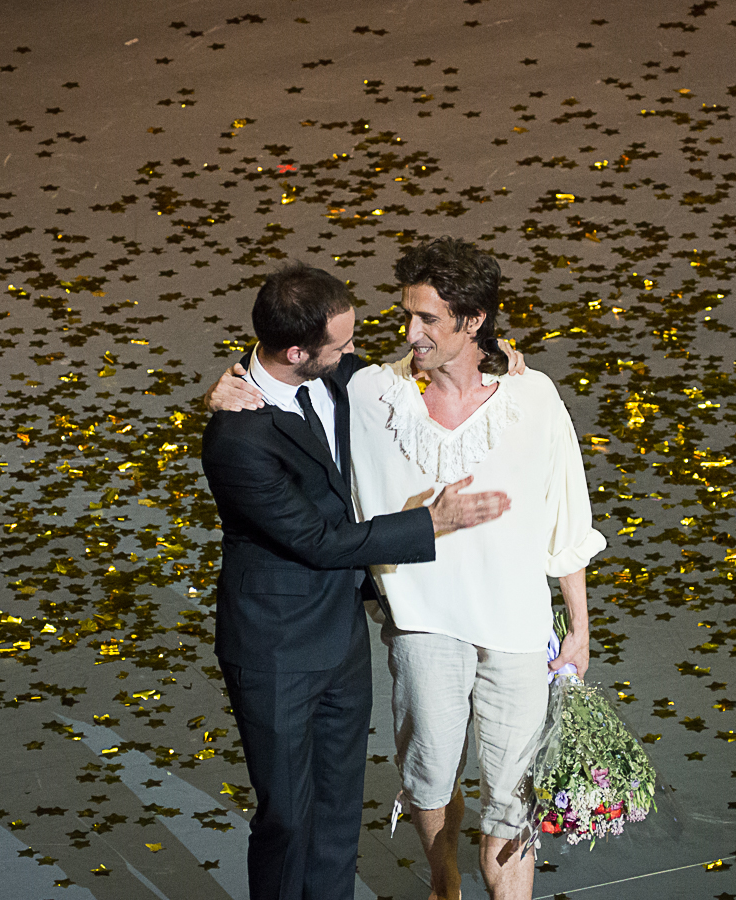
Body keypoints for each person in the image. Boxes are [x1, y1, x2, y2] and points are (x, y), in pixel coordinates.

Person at [208, 239, 606, 899]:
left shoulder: (519, 395)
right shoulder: (339, 402)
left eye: (426, 319)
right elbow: (315, 525)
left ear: (472, 321)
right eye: (405, 317)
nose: (405, 335)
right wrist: (228, 383)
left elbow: (566, 515)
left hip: (465, 631)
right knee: (364, 797)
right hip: (355, 633)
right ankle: (443, 887)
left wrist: (579, 628)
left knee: (468, 805)